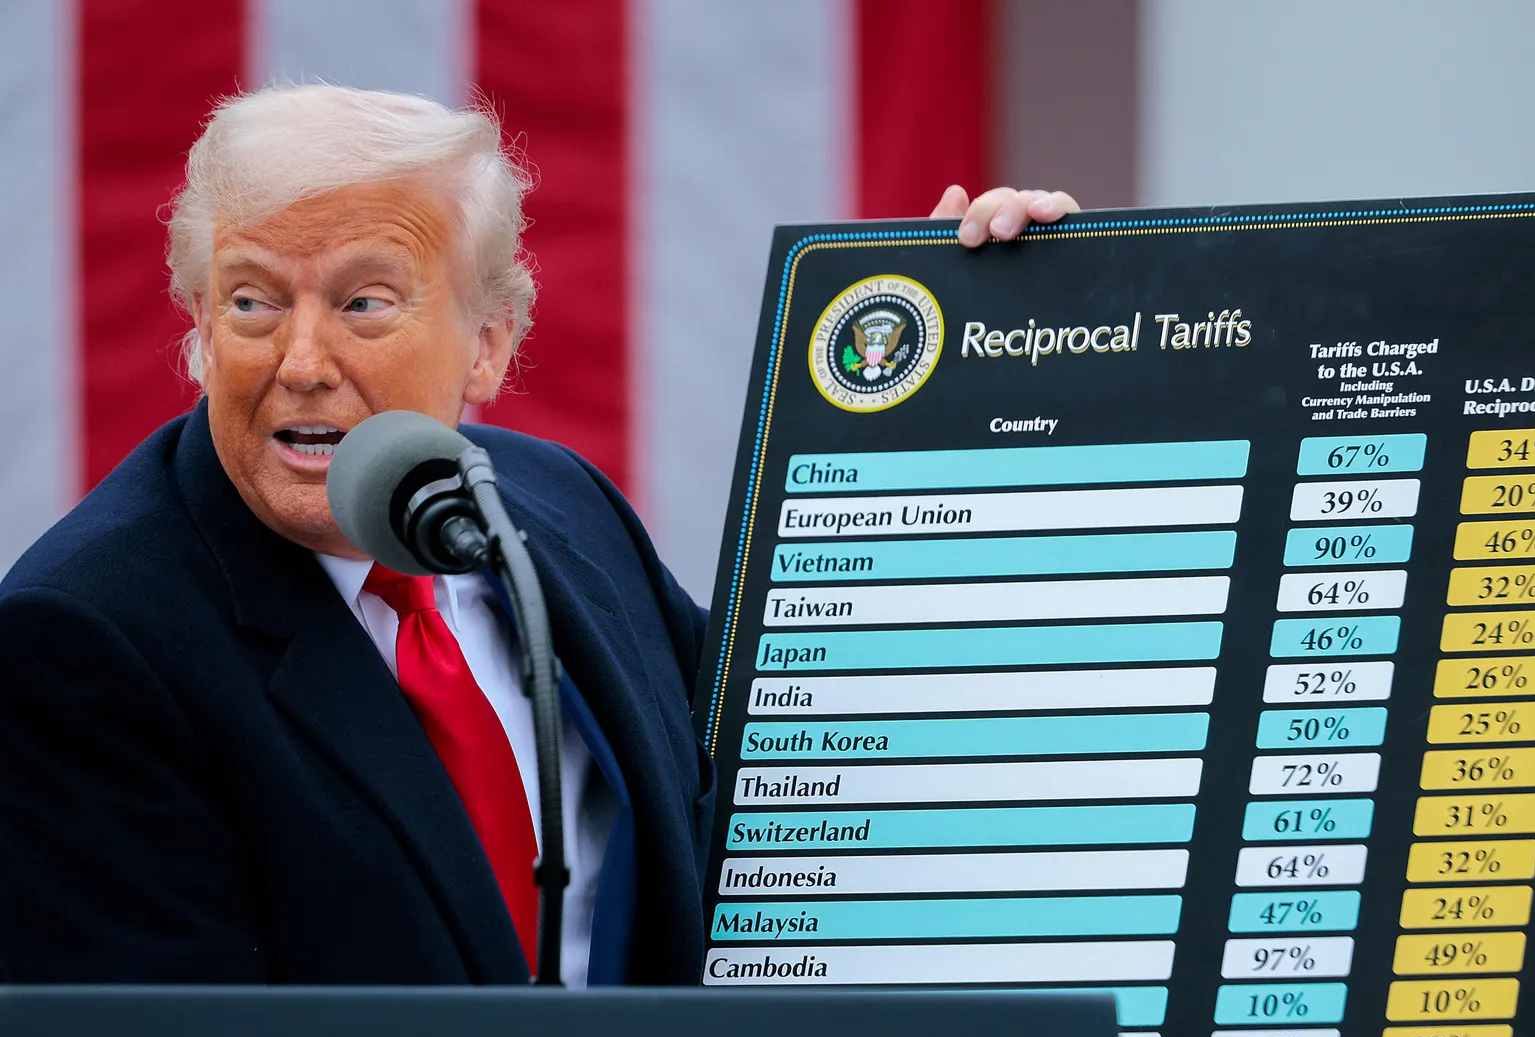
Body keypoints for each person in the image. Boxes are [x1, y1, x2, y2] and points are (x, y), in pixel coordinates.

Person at [0, 84, 1076, 985]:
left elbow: (804, 758)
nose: (303, 360)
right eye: (252, 303)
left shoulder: (555, 504)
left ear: (488, 343)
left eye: (365, 302)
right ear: (199, 329)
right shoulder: (83, 640)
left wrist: (979, 367)